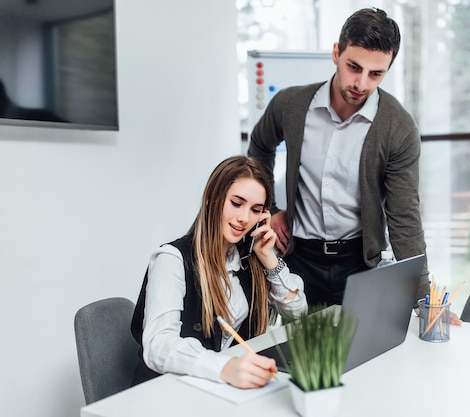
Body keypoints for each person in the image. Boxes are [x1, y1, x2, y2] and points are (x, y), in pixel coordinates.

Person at [248, 7, 430, 307]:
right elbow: (259, 146)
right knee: (298, 351)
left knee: (361, 353)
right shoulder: (290, 105)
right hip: (297, 259)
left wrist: (425, 299)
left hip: (360, 265)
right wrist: (268, 209)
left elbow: (404, 218)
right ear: (336, 53)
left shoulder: (399, 127)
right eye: (353, 67)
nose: (361, 84)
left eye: (376, 74)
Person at [130, 156, 308, 389]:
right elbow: (158, 345)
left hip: (222, 390)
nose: (244, 218)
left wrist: (269, 258)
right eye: (236, 203)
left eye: (255, 210)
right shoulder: (172, 259)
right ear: (212, 199)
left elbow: (298, 313)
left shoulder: (248, 261)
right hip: (170, 392)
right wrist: (224, 367)